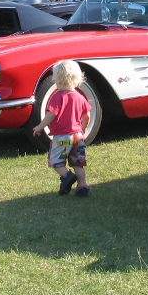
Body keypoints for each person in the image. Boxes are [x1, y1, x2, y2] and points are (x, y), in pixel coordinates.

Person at [31, 60, 92, 197]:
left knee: (55, 161)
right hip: (78, 136)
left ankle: (66, 176)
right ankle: (82, 186)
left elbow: (51, 114)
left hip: (62, 137)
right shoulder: (79, 97)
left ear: (56, 79)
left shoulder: (57, 97)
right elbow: (87, 116)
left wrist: (40, 126)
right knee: (78, 163)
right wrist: (82, 129)